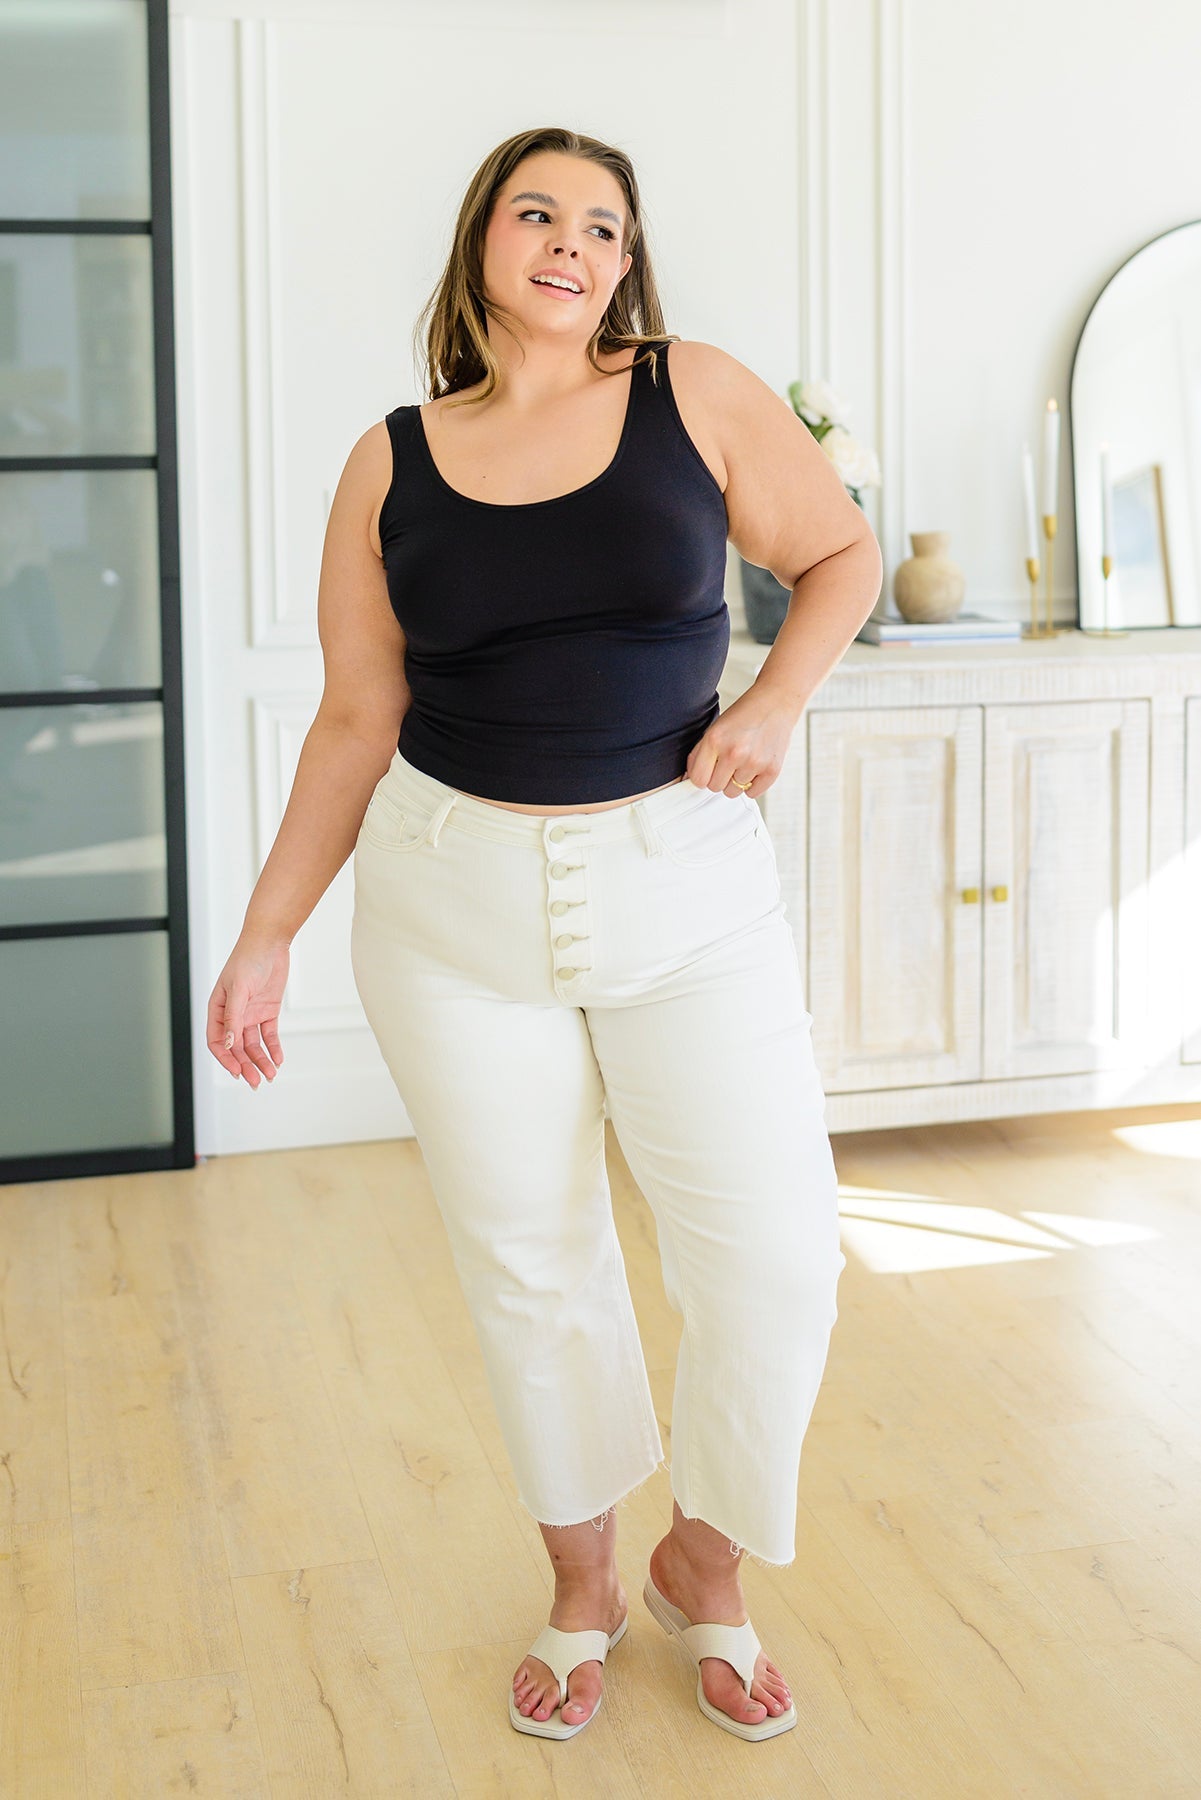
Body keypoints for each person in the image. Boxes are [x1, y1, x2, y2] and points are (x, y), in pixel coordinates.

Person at [206, 125, 882, 1746]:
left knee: (777, 1263)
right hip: (448, 905)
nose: (571, 243)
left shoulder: (692, 392)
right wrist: (265, 935)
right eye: (538, 213)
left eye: (602, 225)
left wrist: (774, 702)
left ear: (626, 264)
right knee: (530, 1266)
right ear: (483, 244)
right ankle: (581, 1586)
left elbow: (839, 551)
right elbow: (354, 716)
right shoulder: (391, 460)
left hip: (686, 891)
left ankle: (702, 1561)